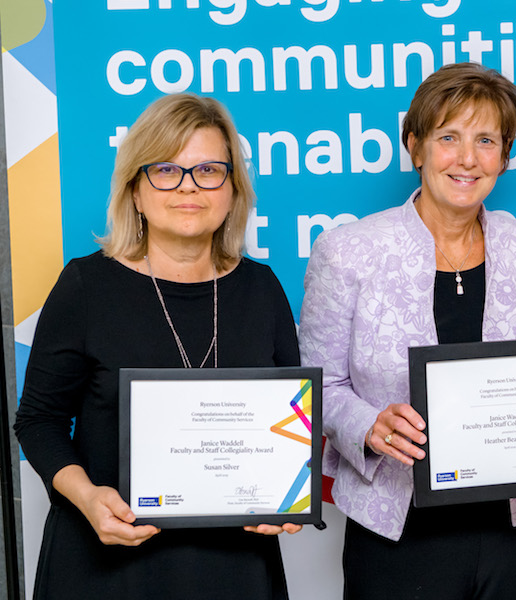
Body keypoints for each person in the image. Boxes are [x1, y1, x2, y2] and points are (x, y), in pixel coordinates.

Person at [299, 62, 516, 599]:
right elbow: (318, 387)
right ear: (415, 145)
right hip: (397, 529)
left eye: (486, 140)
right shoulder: (348, 251)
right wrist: (368, 424)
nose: (467, 159)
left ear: (504, 156)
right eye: (448, 137)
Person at [15, 93, 302, 600]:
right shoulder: (86, 286)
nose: (189, 186)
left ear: (233, 190)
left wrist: (283, 497)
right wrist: (87, 497)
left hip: (234, 570)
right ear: (135, 190)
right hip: (107, 565)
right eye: (166, 169)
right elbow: (38, 421)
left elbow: (293, 420)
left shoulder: (263, 289)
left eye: (210, 170)